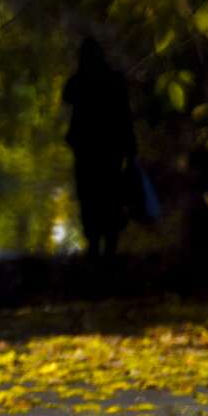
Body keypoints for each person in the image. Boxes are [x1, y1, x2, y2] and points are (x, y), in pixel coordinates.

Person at [61, 37, 137, 256]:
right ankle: (104, 243)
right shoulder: (113, 80)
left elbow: (68, 95)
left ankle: (97, 242)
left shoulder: (82, 80)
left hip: (91, 149)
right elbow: (126, 116)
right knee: (106, 195)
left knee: (92, 195)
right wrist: (131, 151)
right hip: (108, 149)